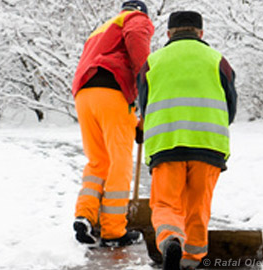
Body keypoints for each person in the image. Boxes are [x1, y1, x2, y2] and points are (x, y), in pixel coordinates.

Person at [136, 11, 237, 270]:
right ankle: (191, 260)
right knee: (198, 206)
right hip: (209, 145)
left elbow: (145, 105)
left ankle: (171, 239)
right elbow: (231, 107)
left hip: (166, 144)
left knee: (167, 203)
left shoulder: (152, 62)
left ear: (169, 34)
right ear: (201, 33)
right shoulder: (218, 61)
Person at [71, 0, 154, 247]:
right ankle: (113, 230)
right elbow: (139, 54)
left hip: (84, 94)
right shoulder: (135, 20)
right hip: (111, 93)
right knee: (119, 162)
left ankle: (85, 215)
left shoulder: (103, 28)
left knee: (98, 161)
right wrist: (147, 84)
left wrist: (135, 119)